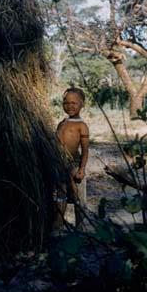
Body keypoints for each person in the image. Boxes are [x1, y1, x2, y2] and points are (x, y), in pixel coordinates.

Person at [54, 87, 89, 230]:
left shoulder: (82, 126)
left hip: (74, 166)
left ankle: (80, 228)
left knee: (79, 198)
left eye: (74, 103)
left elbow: (85, 150)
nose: (70, 106)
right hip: (60, 165)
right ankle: (58, 225)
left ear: (82, 104)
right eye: (66, 103)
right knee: (60, 195)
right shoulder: (62, 123)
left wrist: (82, 169)